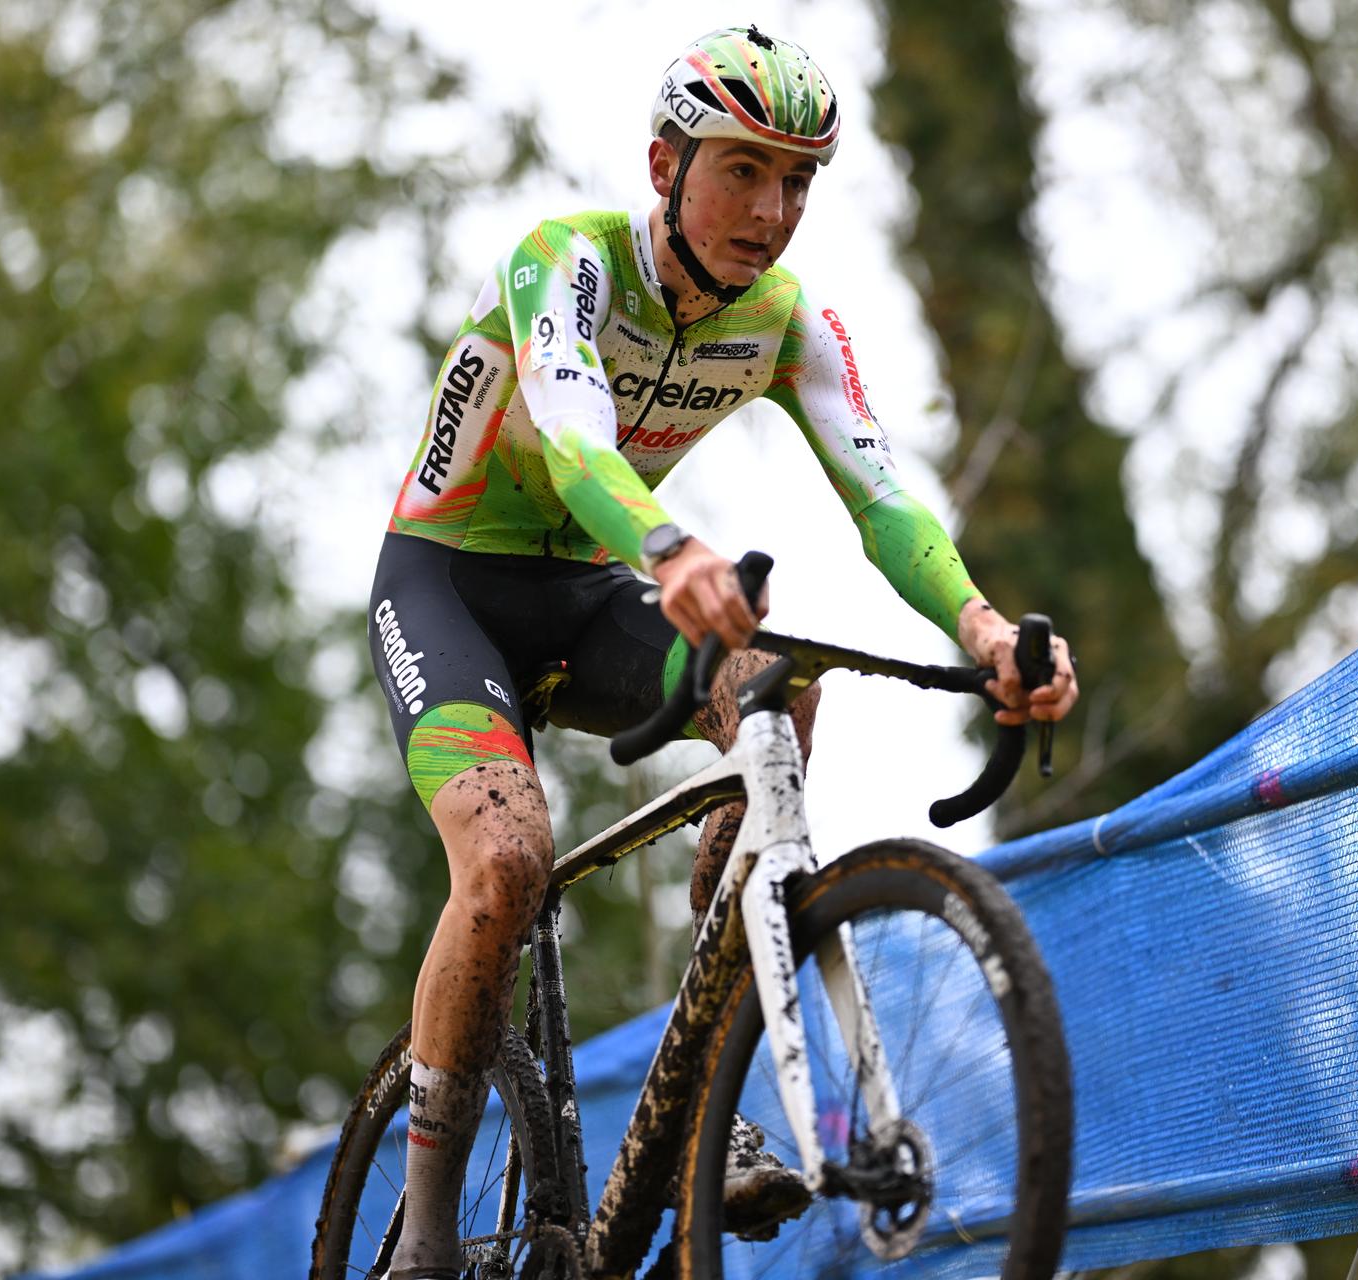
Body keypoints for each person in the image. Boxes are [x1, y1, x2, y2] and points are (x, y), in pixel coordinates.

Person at [364, 24, 1078, 1278]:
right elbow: (579, 444)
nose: (774, 208)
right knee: (509, 855)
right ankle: (422, 1243)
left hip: (593, 588)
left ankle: (711, 1054)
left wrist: (981, 628)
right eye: (744, 170)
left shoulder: (788, 319)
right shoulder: (567, 264)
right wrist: (672, 547)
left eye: (799, 179)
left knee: (774, 699)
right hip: (450, 585)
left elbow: (886, 502)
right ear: (664, 163)